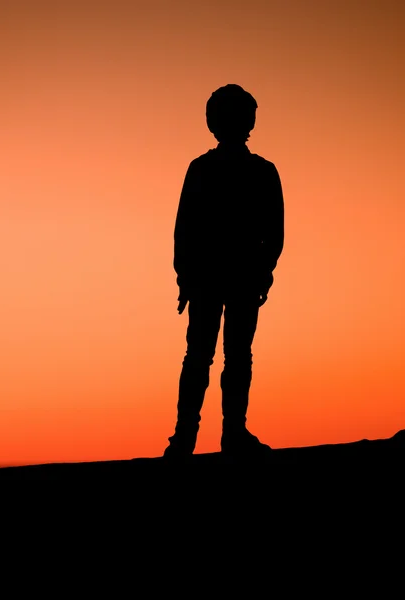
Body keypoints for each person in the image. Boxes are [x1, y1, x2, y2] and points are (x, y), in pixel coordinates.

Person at [164, 84, 284, 459]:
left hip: (230, 277)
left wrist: (263, 271)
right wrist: (186, 276)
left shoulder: (238, 171)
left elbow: (273, 233)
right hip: (216, 278)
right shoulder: (217, 170)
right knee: (215, 355)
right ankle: (197, 436)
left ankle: (216, 435)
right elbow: (185, 230)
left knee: (219, 355)